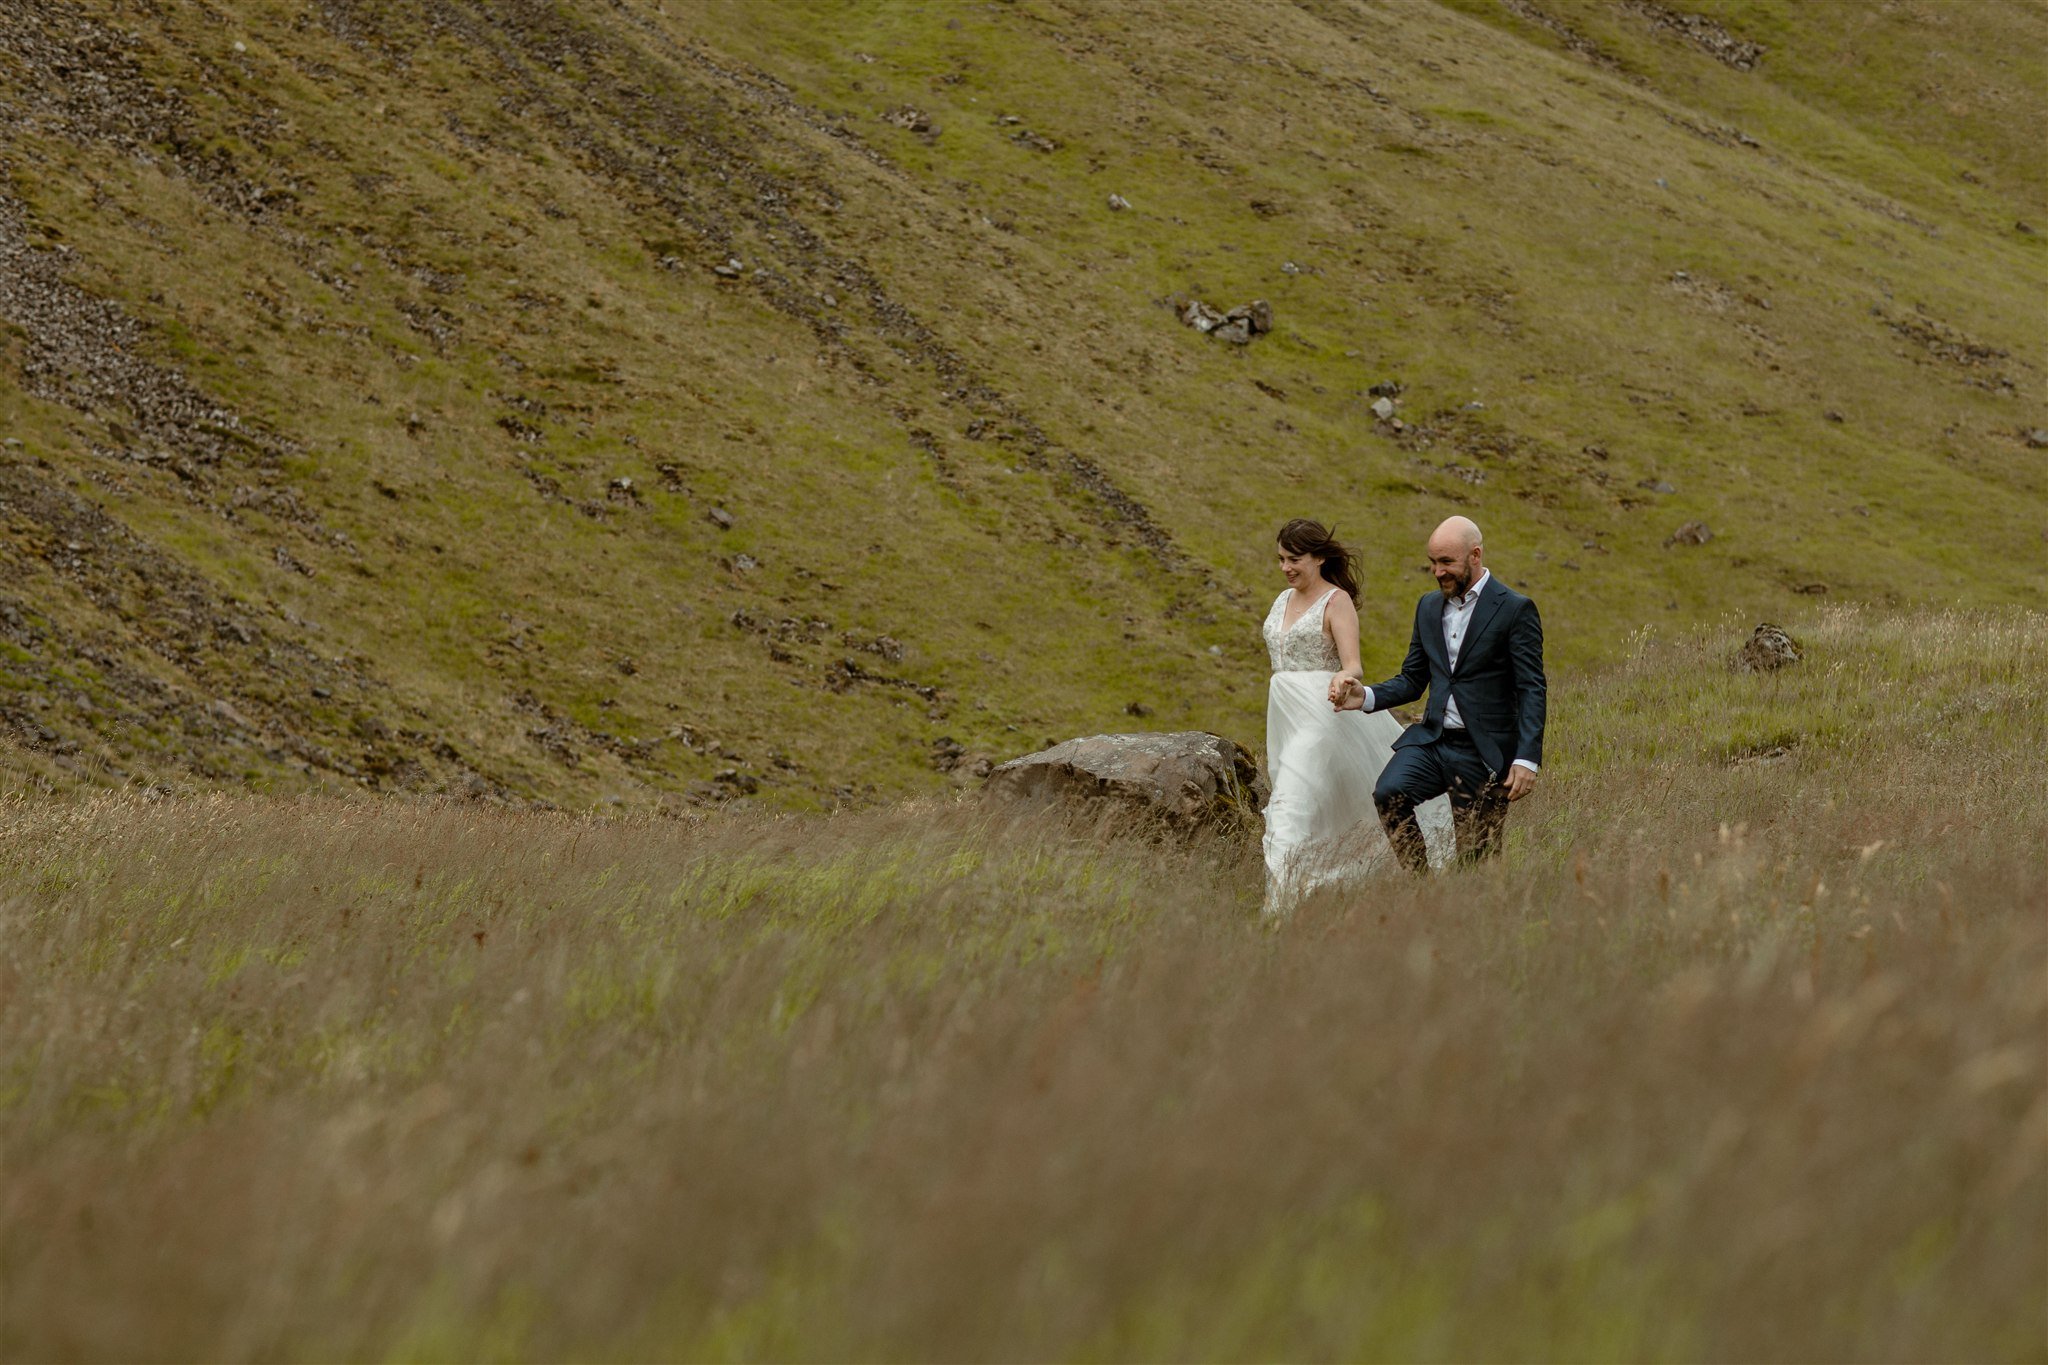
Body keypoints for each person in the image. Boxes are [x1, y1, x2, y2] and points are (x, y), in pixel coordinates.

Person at [1332, 516, 1546, 872]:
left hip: (1485, 752)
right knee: (1388, 794)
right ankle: (1421, 886)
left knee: (1476, 863)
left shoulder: (1514, 609)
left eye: (1446, 562)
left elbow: (1531, 687)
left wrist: (1526, 759)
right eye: (1432, 562)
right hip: (1433, 742)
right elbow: (1413, 679)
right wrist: (1365, 697)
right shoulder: (1428, 607)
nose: (1437, 571)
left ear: (1475, 555)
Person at [1261, 519, 1449, 914]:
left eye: (1294, 559)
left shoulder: (1336, 600)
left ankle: (1278, 912)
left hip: (1321, 715)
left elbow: (1353, 664)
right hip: (1284, 717)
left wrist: (1345, 678)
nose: (1285, 568)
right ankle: (1316, 894)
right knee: (1312, 806)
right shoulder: (1281, 599)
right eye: (1280, 559)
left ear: (1319, 557)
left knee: (1289, 808)